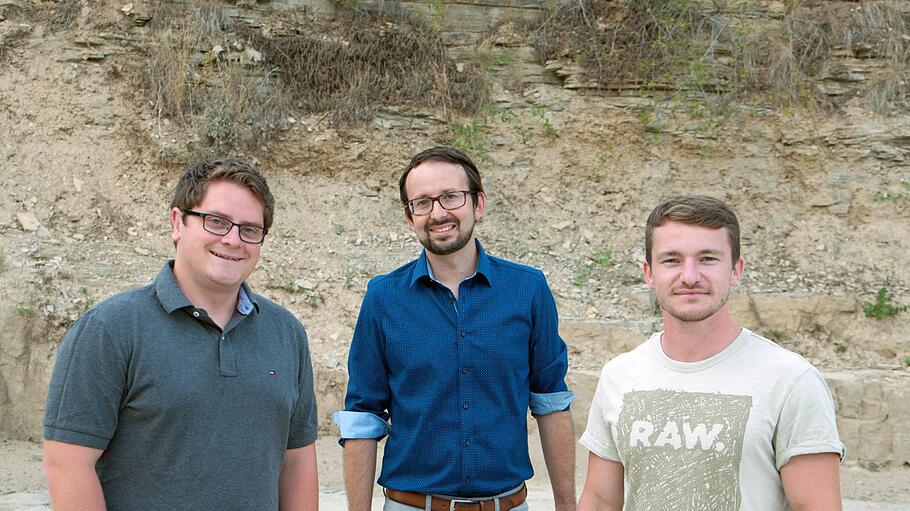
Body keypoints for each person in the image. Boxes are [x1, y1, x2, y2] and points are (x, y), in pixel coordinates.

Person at [42, 158, 319, 510]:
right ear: (178, 223)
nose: (233, 240)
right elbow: (67, 464)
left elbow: (296, 463)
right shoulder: (110, 329)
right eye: (216, 222)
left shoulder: (286, 333)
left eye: (250, 229)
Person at [333, 146, 576, 511]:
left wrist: (568, 508)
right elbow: (362, 420)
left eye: (450, 197)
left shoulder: (528, 290)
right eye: (423, 202)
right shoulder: (382, 299)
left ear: (478, 204)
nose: (438, 213)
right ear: (408, 216)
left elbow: (551, 404)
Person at [577, 195, 844, 510]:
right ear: (649, 273)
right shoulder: (619, 375)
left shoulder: (790, 380)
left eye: (707, 258)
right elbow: (599, 501)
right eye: (672, 260)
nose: (690, 276)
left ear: (736, 269)